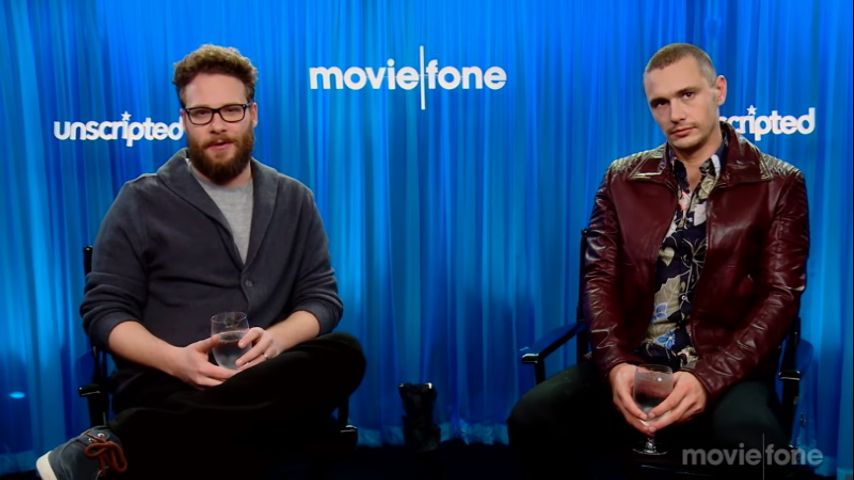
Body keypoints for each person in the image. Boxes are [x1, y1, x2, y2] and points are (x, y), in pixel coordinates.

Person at [36, 44, 365, 479]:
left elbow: (321, 298)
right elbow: (104, 312)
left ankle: (124, 440)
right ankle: (192, 431)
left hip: (266, 377)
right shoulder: (139, 200)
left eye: (231, 109)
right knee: (261, 429)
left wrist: (277, 340)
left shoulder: (294, 198)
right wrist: (175, 360)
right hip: (169, 382)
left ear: (253, 114)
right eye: (202, 113)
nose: (217, 125)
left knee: (344, 353)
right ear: (184, 120)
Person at [507, 43, 810, 479]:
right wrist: (615, 366)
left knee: (758, 451)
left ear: (719, 90)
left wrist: (708, 379)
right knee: (531, 417)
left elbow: (780, 297)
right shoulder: (622, 178)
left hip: (727, 367)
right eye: (660, 103)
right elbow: (598, 279)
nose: (675, 114)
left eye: (687, 95)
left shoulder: (779, 183)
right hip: (632, 358)